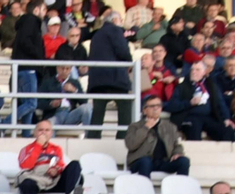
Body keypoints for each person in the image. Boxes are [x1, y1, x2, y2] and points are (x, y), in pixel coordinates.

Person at [86, 7, 133, 138]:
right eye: (120, 19)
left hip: (97, 80)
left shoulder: (96, 34)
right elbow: (123, 51)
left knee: (98, 114)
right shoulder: (115, 30)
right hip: (115, 78)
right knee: (125, 109)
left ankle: (92, 139)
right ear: (114, 19)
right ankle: (122, 139)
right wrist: (129, 62)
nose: (122, 22)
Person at [168, 59, 233, 141]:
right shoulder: (182, 86)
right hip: (189, 117)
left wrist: (226, 118)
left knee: (227, 130)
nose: (194, 72)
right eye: (192, 69)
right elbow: (172, 105)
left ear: (204, 72)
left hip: (208, 117)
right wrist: (190, 103)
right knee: (194, 127)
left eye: (197, 70)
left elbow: (220, 102)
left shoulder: (211, 85)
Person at [125, 97, 191, 176]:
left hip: (163, 161)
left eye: (158, 106)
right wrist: (146, 127)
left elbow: (176, 144)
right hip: (141, 161)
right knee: (146, 162)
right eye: (152, 106)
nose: (156, 108)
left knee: (184, 161)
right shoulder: (135, 126)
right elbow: (131, 144)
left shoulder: (170, 126)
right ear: (145, 110)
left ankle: (181, 187)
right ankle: (144, 187)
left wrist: (177, 153)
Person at [15, 118, 82, 193]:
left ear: (51, 133)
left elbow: (61, 165)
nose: (43, 132)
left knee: (75, 165)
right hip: (36, 180)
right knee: (27, 184)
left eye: (47, 130)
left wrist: (56, 171)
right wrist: (38, 145)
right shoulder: (26, 149)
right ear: (35, 133)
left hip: (54, 181)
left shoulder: (56, 149)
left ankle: (71, 193)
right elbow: (25, 166)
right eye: (40, 130)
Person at [9, 0, 47, 130]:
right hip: (28, 68)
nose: (45, 12)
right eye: (44, 9)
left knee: (27, 104)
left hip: (23, 68)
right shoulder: (31, 20)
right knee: (31, 103)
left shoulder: (27, 22)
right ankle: (3, 125)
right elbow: (26, 42)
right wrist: (39, 57)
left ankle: (26, 134)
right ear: (36, 10)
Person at [37, 62, 92, 129]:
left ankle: (89, 137)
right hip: (54, 115)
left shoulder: (74, 82)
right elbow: (38, 102)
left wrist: (75, 91)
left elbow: (84, 101)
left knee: (87, 107)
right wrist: (51, 103)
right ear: (57, 68)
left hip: (70, 114)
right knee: (49, 125)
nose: (64, 71)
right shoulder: (48, 82)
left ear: (71, 69)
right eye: (62, 68)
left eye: (67, 69)